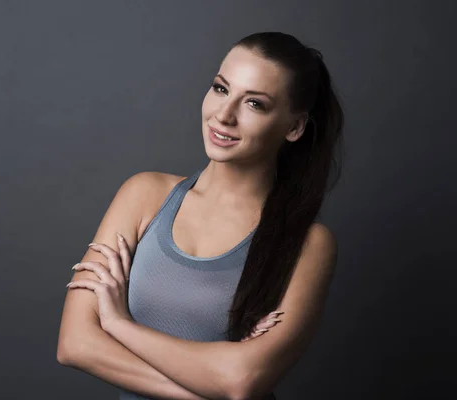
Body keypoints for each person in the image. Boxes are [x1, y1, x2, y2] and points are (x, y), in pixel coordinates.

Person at [57, 31, 343, 400]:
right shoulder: (144, 194)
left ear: (294, 127)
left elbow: (241, 380)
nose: (224, 115)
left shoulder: (308, 243)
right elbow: (75, 343)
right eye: (221, 89)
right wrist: (210, 386)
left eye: (254, 104)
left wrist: (118, 325)